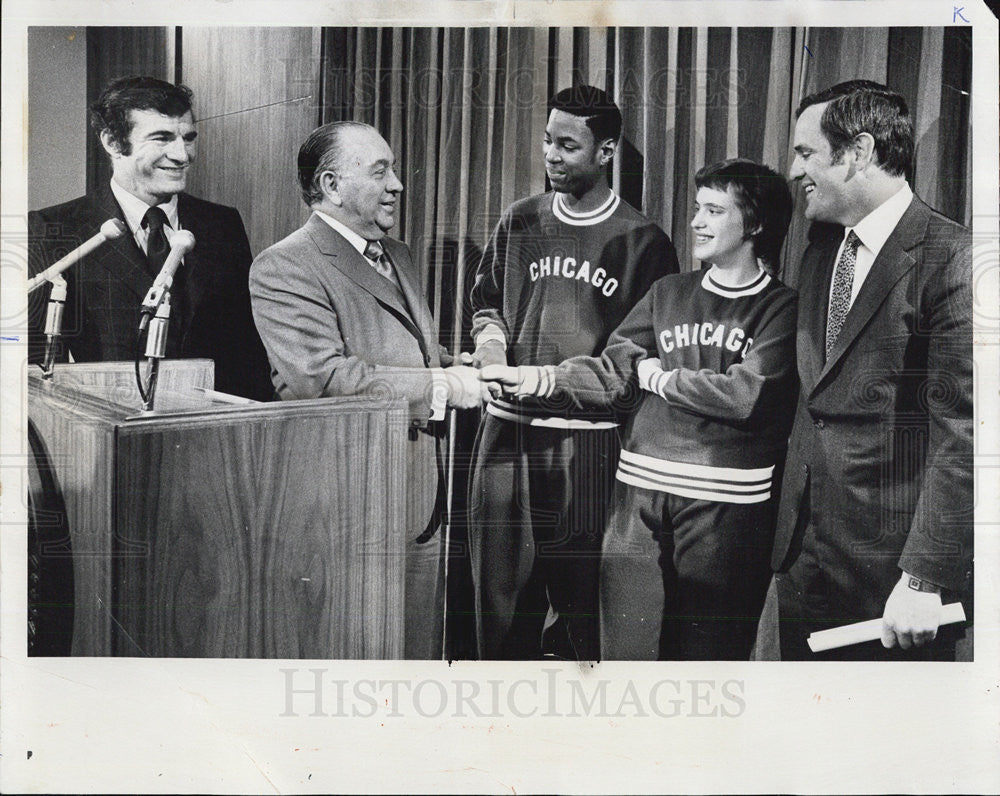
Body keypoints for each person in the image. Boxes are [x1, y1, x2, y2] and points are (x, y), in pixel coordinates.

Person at [483, 159, 798, 659]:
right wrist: (533, 378)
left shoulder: (781, 307)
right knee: (625, 659)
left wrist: (660, 377)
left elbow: (746, 393)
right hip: (639, 497)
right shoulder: (668, 292)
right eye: (697, 208)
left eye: (714, 211)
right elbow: (613, 372)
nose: (696, 221)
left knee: (705, 669)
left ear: (755, 224)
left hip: (726, 509)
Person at [249, 121, 488, 660]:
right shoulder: (284, 265)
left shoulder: (396, 254)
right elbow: (322, 379)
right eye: (381, 171)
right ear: (331, 185)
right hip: (351, 500)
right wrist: (443, 384)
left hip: (421, 492)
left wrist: (455, 363)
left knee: (417, 650)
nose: (398, 184)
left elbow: (404, 348)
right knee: (359, 658)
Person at [468, 85, 679, 660]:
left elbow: (634, 356)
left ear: (606, 151)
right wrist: (490, 346)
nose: (551, 156)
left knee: (584, 621)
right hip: (507, 437)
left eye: (568, 145)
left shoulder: (644, 242)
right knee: (499, 612)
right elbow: (487, 301)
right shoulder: (521, 220)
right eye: (547, 141)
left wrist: (548, 379)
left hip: (588, 450)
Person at [764, 80, 973, 660]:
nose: (793, 169)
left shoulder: (953, 259)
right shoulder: (821, 248)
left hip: (894, 583)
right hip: (805, 562)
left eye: (805, 153)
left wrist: (924, 577)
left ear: (856, 152)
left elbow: (967, 437)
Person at [27, 76, 272, 401]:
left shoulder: (222, 223)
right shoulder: (54, 227)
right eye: (162, 138)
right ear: (113, 143)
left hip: (216, 434)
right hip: (115, 432)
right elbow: (39, 366)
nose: (182, 155)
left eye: (188, 138)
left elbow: (248, 350)